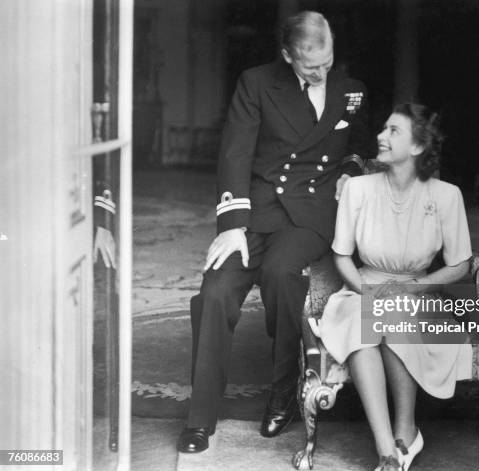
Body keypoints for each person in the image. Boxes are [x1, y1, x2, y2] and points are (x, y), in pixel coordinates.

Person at [177, 11, 369, 453]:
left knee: (283, 273)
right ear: (287, 55)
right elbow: (236, 153)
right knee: (215, 292)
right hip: (256, 209)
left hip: (310, 216)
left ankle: (283, 388)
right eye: (309, 66)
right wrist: (232, 227)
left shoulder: (351, 90)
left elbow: (357, 141)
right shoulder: (257, 82)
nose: (320, 72)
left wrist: (351, 169)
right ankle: (200, 418)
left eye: (327, 62)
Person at [319, 103, 473, 471]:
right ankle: (387, 449)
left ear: (417, 147)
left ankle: (407, 430)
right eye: (383, 128)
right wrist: (366, 291)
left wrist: (416, 287)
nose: (380, 136)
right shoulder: (357, 189)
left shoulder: (447, 196)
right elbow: (342, 256)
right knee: (364, 324)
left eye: (393, 131)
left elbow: (460, 265)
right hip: (360, 290)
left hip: (417, 295)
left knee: (395, 317)